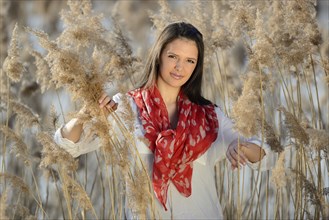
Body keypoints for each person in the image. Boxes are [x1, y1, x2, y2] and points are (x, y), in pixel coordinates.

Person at [55, 22, 272, 219]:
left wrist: (241, 147)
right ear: (159, 55)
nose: (180, 67)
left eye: (189, 61)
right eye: (173, 57)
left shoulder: (209, 116)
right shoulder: (126, 107)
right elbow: (66, 146)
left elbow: (265, 156)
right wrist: (85, 114)